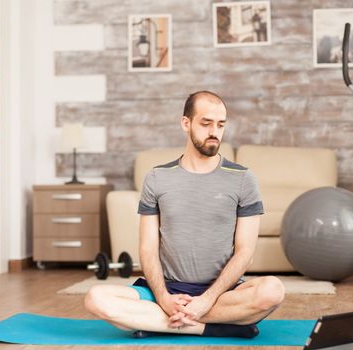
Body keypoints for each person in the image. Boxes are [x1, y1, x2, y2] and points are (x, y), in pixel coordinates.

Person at [84, 91, 285, 338]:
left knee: (272, 291)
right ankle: (211, 327)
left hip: (222, 293)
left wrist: (207, 300)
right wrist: (163, 298)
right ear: (185, 123)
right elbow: (147, 248)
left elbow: (245, 252)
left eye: (221, 125)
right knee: (96, 298)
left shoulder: (243, 179)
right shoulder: (157, 177)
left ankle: (155, 323)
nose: (214, 132)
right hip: (165, 291)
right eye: (206, 123)